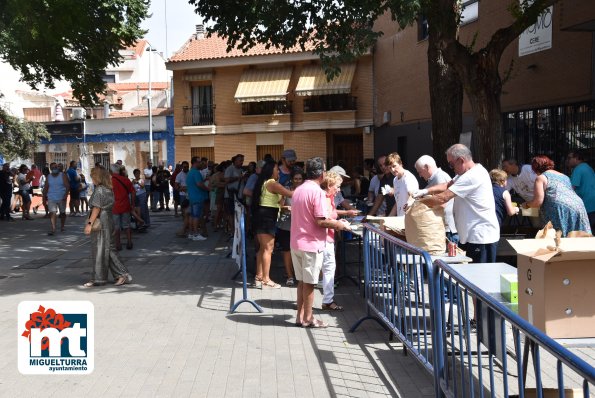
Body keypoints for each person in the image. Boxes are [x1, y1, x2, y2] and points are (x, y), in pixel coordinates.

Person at [291, 157, 351, 328]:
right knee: (309, 284)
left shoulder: (299, 189)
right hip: (311, 243)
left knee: (302, 282)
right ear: (322, 173)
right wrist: (340, 224)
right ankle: (308, 318)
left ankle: (300, 316)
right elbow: (321, 221)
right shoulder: (316, 192)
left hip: (297, 242)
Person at [417, 144, 500, 263]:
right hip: (474, 235)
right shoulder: (467, 172)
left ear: (461, 160)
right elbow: (447, 185)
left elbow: (443, 197)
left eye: (451, 164)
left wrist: (418, 202)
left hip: (481, 237)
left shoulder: (472, 176)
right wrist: (425, 191)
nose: (451, 168)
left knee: (480, 277)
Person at [83, 167, 131, 287]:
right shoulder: (108, 189)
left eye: (93, 176)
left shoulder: (99, 190)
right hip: (108, 219)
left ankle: (120, 274)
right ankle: (101, 277)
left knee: (102, 249)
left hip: (101, 221)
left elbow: (96, 208)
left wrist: (89, 224)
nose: (91, 178)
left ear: (97, 177)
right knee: (106, 248)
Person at [522, 155, 591, 236]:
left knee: (558, 239)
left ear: (535, 168)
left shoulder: (541, 178)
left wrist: (526, 205)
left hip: (560, 208)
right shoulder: (564, 176)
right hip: (578, 206)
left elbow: (538, 202)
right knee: (579, 238)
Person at [252, 159, 294, 289]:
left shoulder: (264, 183)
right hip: (267, 219)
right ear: (271, 171)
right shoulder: (272, 184)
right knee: (268, 249)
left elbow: (279, 202)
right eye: (277, 170)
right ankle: (266, 278)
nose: (279, 172)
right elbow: (291, 194)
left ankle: (259, 275)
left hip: (263, 217)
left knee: (262, 249)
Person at [414, 155, 458, 243]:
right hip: (441, 228)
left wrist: (419, 202)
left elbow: (441, 203)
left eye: (420, 172)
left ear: (426, 167)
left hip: (446, 230)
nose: (420, 175)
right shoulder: (434, 179)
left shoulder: (439, 177)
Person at [320, 171, 347, 311]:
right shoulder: (324, 198)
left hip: (327, 238)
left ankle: (327, 299)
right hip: (324, 239)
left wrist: (337, 221)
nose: (339, 189)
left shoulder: (329, 197)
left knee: (328, 269)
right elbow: (322, 219)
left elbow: (328, 217)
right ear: (329, 185)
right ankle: (328, 301)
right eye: (337, 186)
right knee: (329, 269)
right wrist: (338, 224)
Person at [276, 168, 304, 286]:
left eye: (300, 179)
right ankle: (289, 275)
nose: (297, 181)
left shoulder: (305, 191)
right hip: (286, 223)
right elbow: (279, 205)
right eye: (295, 179)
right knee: (286, 250)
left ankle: (300, 275)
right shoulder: (286, 190)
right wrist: (286, 208)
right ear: (291, 179)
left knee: (301, 250)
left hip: (302, 225)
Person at [567, 150, 595, 233]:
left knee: (586, 232)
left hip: (587, 205)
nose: (567, 161)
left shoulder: (578, 169)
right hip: (592, 203)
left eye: (569, 158)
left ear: (576, 158)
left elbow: (571, 188)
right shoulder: (587, 167)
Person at [110, 164, 136, 250]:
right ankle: (129, 242)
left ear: (111, 171)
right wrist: (132, 204)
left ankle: (118, 244)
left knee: (116, 226)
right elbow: (133, 192)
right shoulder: (126, 180)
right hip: (125, 205)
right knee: (127, 225)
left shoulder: (109, 181)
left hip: (114, 207)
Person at [386, 153, 419, 217]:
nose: (392, 170)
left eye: (394, 166)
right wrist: (388, 219)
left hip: (409, 219)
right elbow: (398, 202)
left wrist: (406, 213)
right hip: (400, 219)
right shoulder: (395, 180)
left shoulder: (408, 177)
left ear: (400, 163)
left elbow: (413, 196)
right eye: (390, 168)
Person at [186, 156, 211, 240]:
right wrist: (207, 188)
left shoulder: (190, 172)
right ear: (195, 163)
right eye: (200, 162)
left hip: (192, 197)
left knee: (193, 215)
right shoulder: (196, 172)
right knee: (196, 216)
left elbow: (196, 183)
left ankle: (191, 233)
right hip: (197, 197)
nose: (202, 163)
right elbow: (199, 184)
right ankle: (196, 234)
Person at [42, 162, 69, 235]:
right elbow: (46, 188)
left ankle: (62, 226)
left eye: (56, 167)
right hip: (51, 197)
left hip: (61, 197)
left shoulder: (63, 175)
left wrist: (65, 195)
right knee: (52, 212)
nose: (55, 169)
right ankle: (53, 228)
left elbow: (67, 186)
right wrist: (44, 198)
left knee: (62, 213)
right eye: (53, 168)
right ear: (50, 169)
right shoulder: (48, 177)